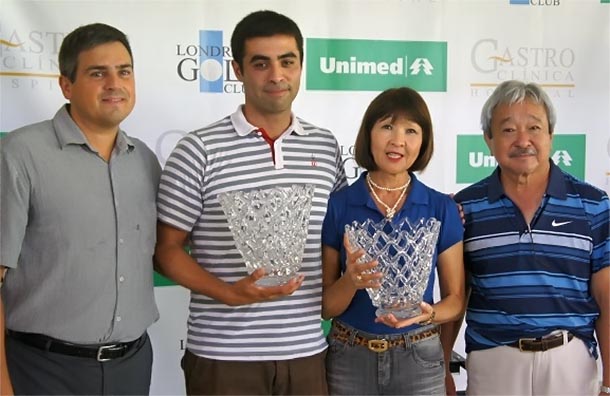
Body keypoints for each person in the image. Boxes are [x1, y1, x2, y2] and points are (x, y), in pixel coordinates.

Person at [154, 10, 347, 395]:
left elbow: (343, 235)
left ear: (301, 66)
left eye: (287, 62)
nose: (276, 76)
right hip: (223, 356)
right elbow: (166, 252)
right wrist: (229, 293)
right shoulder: (199, 149)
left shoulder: (325, 147)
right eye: (261, 63)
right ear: (238, 70)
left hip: (307, 350)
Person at [0, 23, 160, 395]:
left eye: (124, 71)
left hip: (132, 366)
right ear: (66, 85)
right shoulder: (21, 155)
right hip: (43, 370)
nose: (114, 83)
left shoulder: (145, 161)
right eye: (97, 73)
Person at [453, 80, 609, 395]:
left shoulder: (593, 204)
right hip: (493, 361)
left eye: (534, 128)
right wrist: (442, 365)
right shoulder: (464, 207)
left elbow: (607, 298)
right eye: (508, 130)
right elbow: (456, 294)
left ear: (551, 135)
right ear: (488, 139)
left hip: (571, 362)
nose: (523, 140)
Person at [321, 87, 465, 395]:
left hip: (419, 356)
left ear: (423, 141)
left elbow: (455, 300)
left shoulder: (441, 208)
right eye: (387, 126)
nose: (398, 140)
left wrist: (430, 314)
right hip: (349, 356)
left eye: (411, 130)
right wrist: (351, 280)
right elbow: (327, 306)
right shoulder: (340, 205)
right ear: (368, 134)